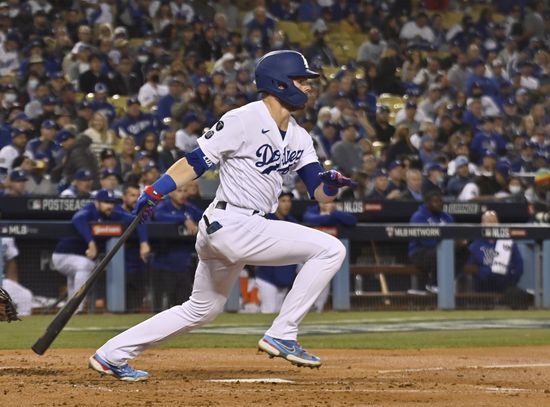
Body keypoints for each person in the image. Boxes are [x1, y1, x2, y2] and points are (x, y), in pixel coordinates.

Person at [89, 50, 355, 381]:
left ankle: (111, 354)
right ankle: (283, 333)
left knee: (202, 309)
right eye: (302, 80)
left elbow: (318, 192)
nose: (309, 87)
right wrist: (155, 190)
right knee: (331, 249)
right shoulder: (243, 119)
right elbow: (196, 161)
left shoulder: (300, 135)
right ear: (280, 83)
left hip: (234, 227)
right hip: (234, 223)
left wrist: (332, 186)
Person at [51, 189, 149, 312]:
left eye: (111, 202)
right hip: (63, 255)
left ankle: (69, 310)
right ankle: (77, 309)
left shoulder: (114, 214)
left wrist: (144, 242)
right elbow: (78, 218)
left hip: (80, 257)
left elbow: (138, 220)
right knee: (86, 265)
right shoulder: (89, 210)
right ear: (97, 203)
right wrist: (91, 242)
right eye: (105, 202)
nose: (109, 206)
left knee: (80, 271)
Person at [152, 184, 202, 310]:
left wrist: (197, 225)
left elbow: (204, 217)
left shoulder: (188, 208)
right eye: (179, 191)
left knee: (183, 305)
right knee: (161, 308)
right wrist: (183, 219)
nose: (183, 194)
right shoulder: (164, 206)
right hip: (164, 264)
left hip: (183, 266)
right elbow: (158, 216)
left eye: (185, 190)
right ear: (171, 193)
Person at [255, 192, 298, 314]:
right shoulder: (267, 220)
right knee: (268, 311)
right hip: (267, 276)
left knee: (279, 315)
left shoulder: (293, 223)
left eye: (288, 201)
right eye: (283, 200)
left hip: (285, 276)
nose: (287, 204)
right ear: (276, 203)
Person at [408, 190, 454, 293]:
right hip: (419, 253)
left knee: (464, 252)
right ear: (427, 203)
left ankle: (451, 281)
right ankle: (433, 284)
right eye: (435, 201)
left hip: (441, 251)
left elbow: (454, 235)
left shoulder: (447, 217)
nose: (439, 204)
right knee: (439, 253)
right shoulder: (419, 216)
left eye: (441, 201)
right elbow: (426, 241)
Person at [467, 210, 523, 293]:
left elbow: (519, 266)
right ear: (482, 225)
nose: (492, 224)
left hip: (506, 286)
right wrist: (484, 273)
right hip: (482, 287)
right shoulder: (476, 245)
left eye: (494, 221)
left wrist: (510, 280)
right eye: (488, 221)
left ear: (498, 224)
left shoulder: (508, 243)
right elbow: (469, 266)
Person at [1, 238, 33, 316]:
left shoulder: (6, 237)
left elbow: (11, 261)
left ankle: (20, 325)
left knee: (25, 295)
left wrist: (14, 284)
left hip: (1, 281)